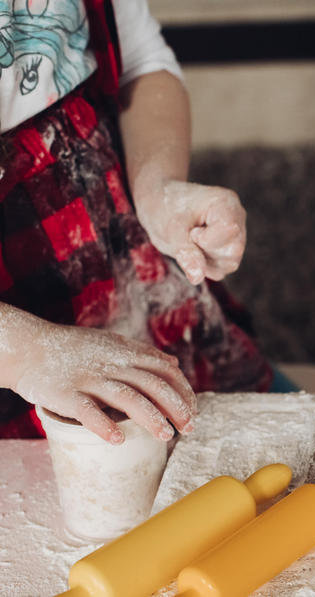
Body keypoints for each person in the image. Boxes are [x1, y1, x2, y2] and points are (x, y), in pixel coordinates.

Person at [0, 0, 277, 444]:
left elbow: (141, 64)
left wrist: (157, 188)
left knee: (210, 434)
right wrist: (26, 354)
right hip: (12, 353)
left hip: (119, 262)